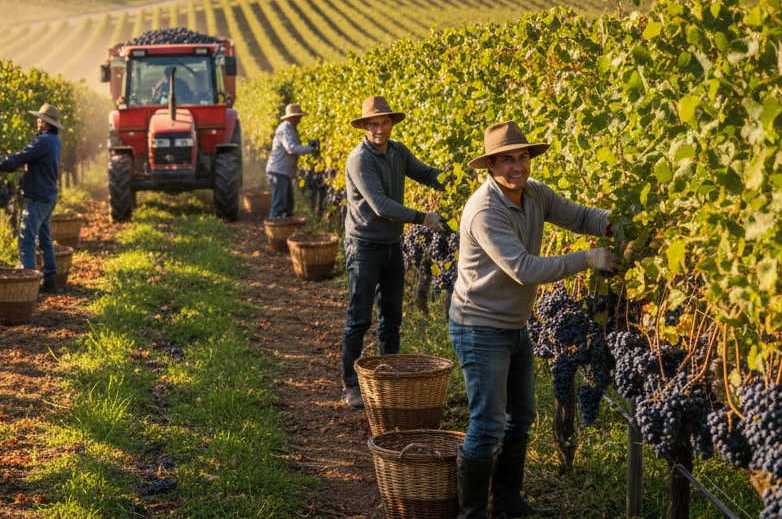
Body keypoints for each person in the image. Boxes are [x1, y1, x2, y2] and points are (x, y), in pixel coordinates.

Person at [450, 121, 620, 519]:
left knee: (521, 418)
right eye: (506, 159)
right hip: (479, 326)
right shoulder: (484, 211)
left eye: (522, 157)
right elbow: (523, 269)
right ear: (490, 166)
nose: (517, 166)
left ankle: (507, 504)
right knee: (488, 424)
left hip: (514, 323)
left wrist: (620, 222)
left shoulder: (535, 193)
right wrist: (587, 259)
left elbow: (580, 217)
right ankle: (471, 513)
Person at [341, 96, 451, 409]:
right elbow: (381, 206)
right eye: (372, 124)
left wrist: (456, 180)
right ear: (364, 127)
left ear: (391, 124)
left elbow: (428, 174)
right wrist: (425, 218)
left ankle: (385, 381)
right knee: (359, 318)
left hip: (391, 246)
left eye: (384, 122)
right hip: (363, 245)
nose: (378, 129)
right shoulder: (359, 159)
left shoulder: (398, 151)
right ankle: (350, 384)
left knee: (392, 318)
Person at [0, 104, 64, 291]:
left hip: (37, 198)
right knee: (44, 239)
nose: (38, 121)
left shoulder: (44, 140)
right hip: (48, 196)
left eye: (40, 119)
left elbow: (19, 159)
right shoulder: (55, 140)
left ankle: (28, 288)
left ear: (46, 123)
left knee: (26, 240)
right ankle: (50, 280)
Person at [265, 103, 318, 219]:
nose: (299, 120)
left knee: (288, 204)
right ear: (292, 117)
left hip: (284, 172)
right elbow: (291, 148)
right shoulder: (286, 128)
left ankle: (285, 229)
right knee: (279, 204)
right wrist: (310, 149)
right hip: (278, 171)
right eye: (298, 117)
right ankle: (274, 231)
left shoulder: (291, 128)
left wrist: (309, 144)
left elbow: (294, 146)